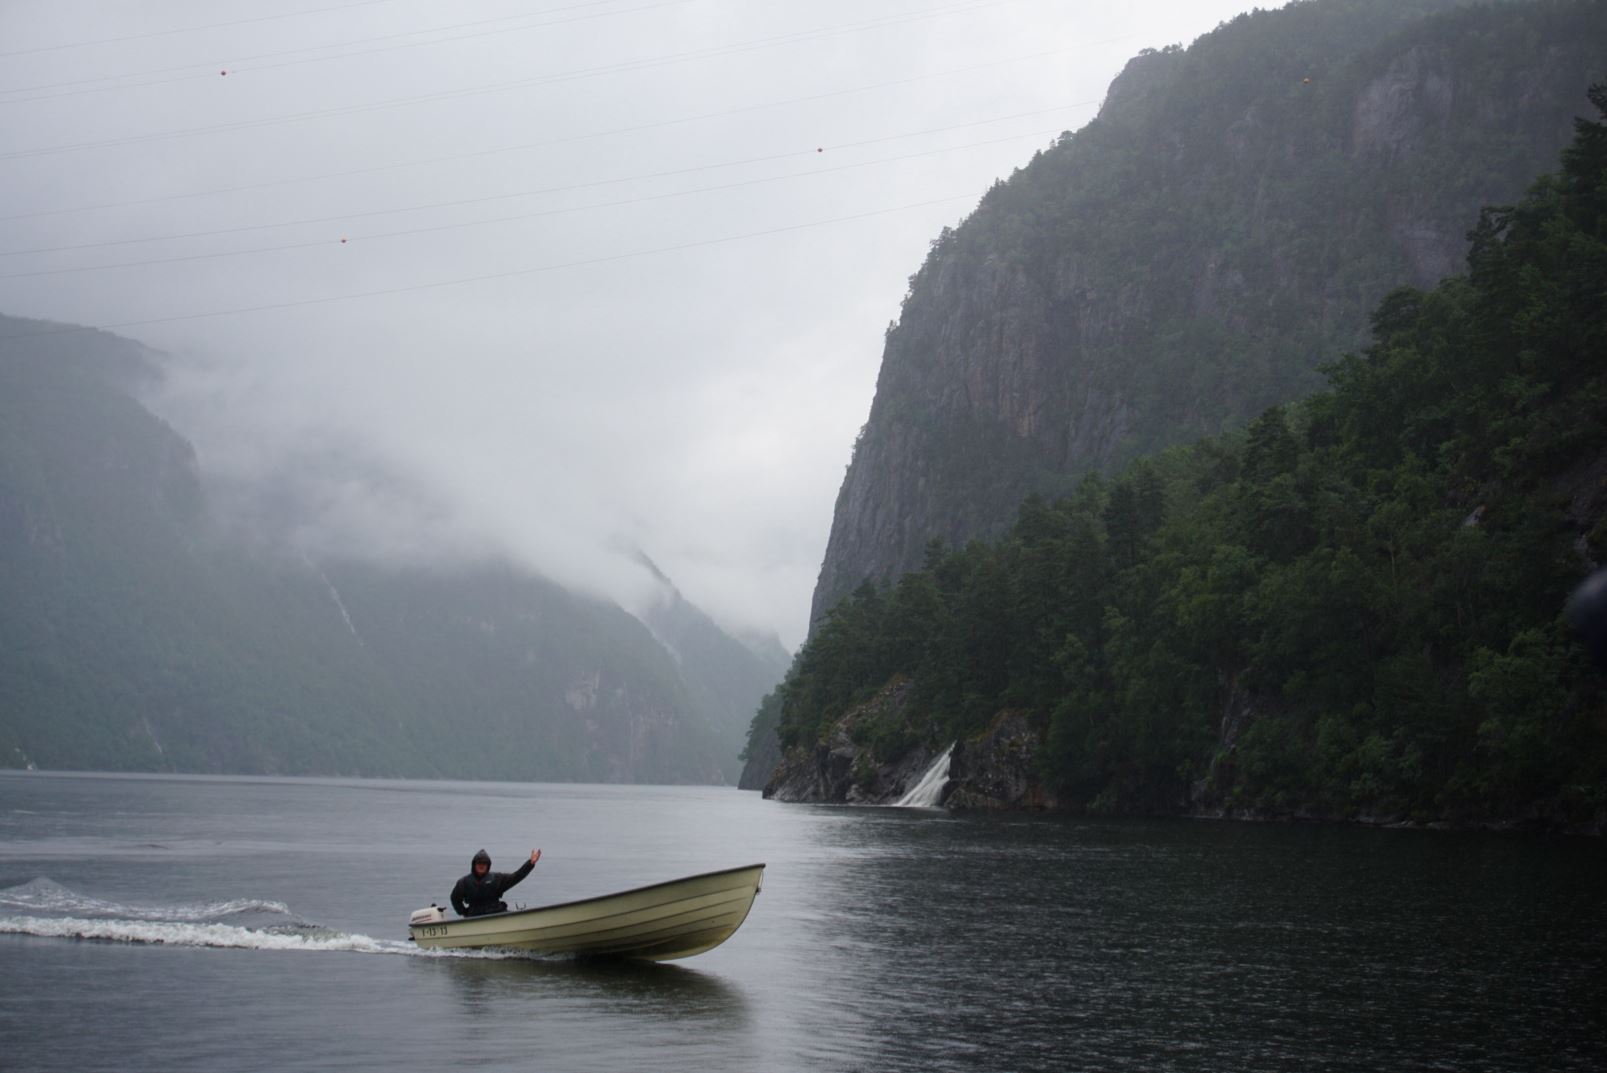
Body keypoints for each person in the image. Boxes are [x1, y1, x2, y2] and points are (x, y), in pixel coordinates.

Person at [450, 847, 541, 918]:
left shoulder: (497, 878)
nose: (481, 865)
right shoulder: (464, 882)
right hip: (474, 916)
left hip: (497, 913)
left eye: (484, 863)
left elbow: (516, 876)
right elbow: (454, 899)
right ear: (474, 865)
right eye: (479, 863)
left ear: (488, 865)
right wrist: (463, 912)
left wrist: (530, 863)